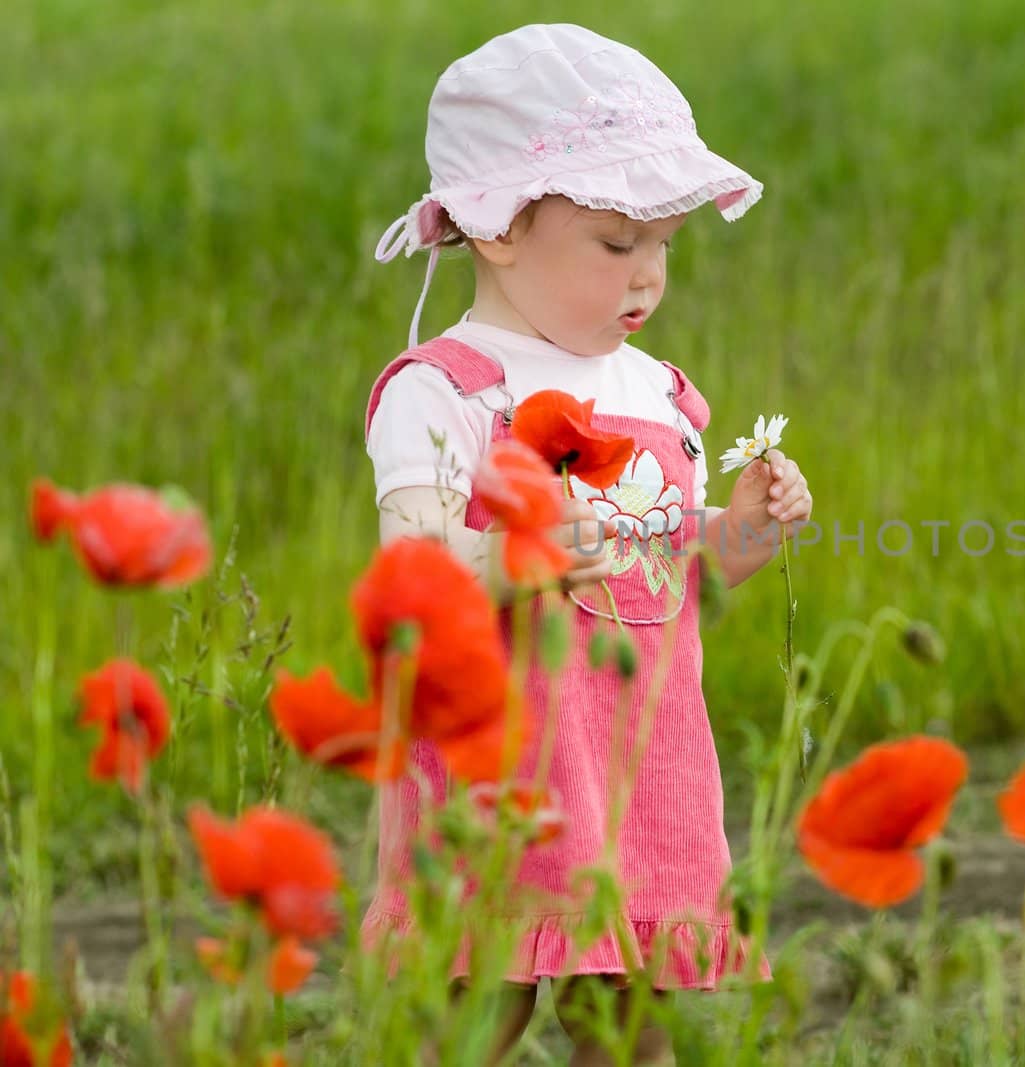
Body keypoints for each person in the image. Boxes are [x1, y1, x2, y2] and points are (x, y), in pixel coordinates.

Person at [364, 24, 813, 1064]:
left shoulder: (656, 389)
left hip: (638, 751)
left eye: (663, 245)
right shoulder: (446, 388)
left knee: (626, 1012)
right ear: (496, 229)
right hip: (507, 760)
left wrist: (745, 526)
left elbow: (680, 561)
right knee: (487, 996)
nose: (647, 275)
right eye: (616, 244)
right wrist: (514, 554)